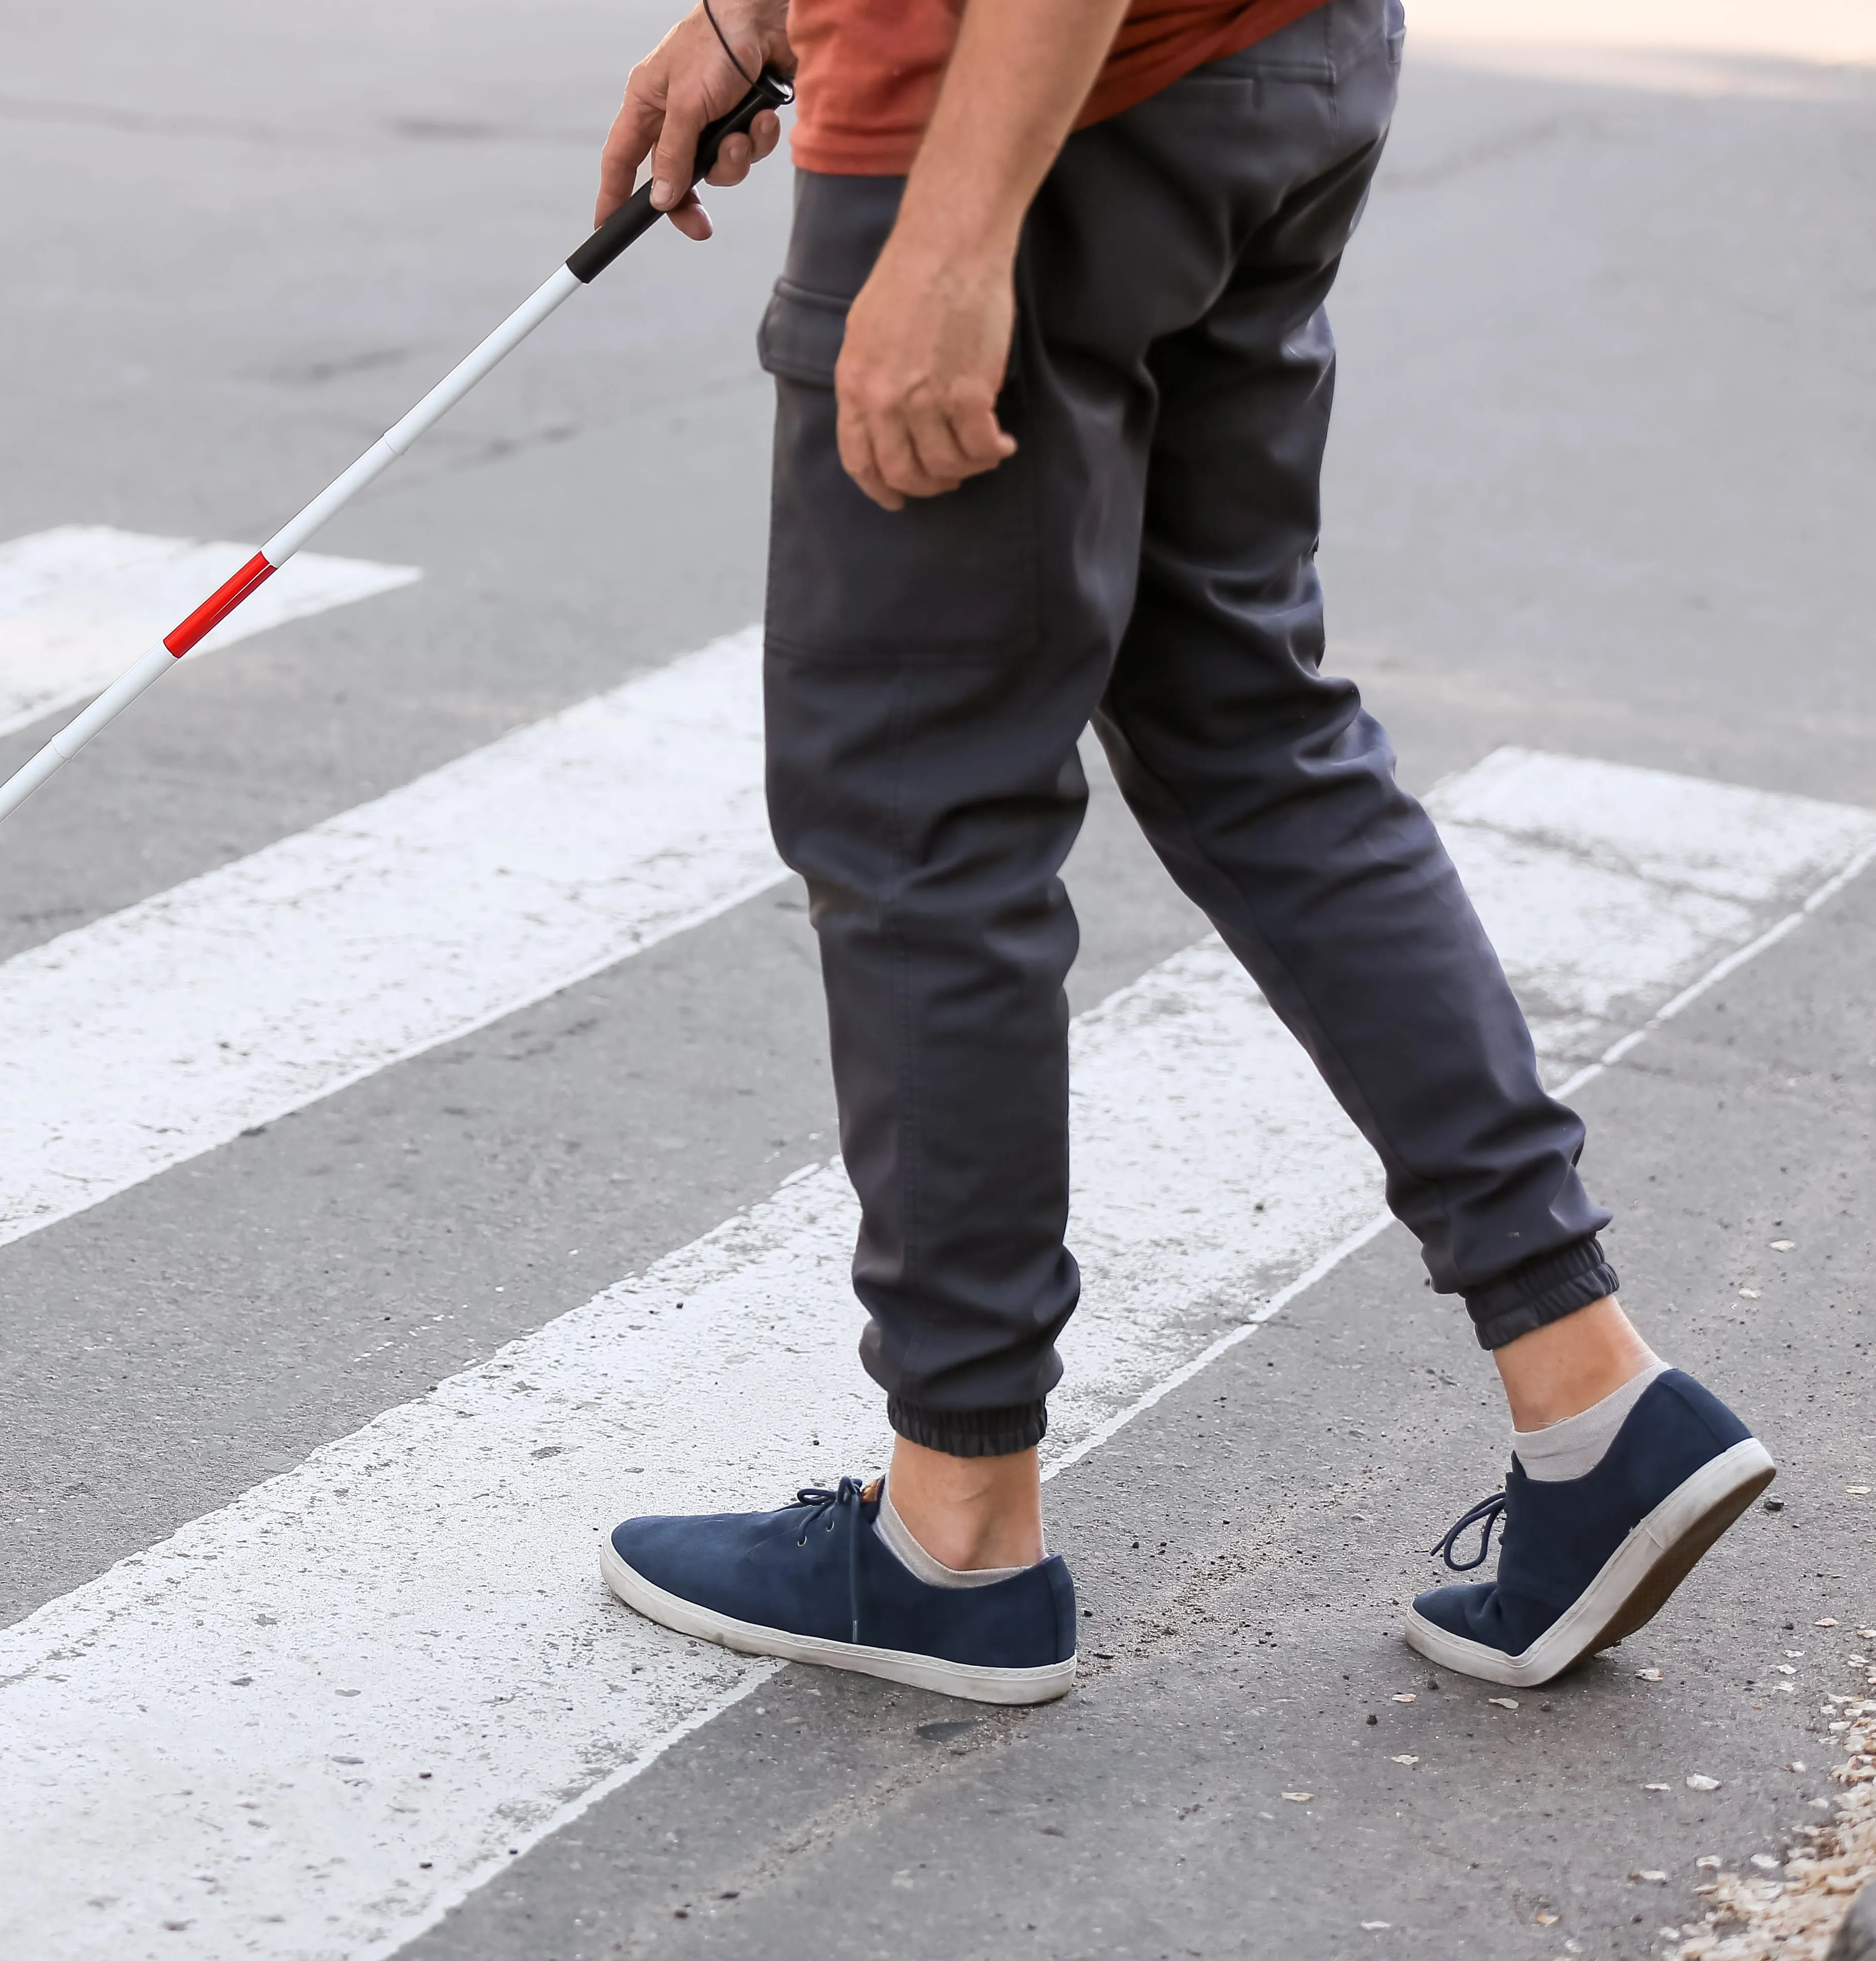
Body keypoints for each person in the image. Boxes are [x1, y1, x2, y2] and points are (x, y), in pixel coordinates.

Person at [591, 0, 1774, 1702]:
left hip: (1019, 98)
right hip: (1266, 58)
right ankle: (1593, 1398)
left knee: (920, 801)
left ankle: (956, 1530)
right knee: (1246, 722)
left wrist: (956, 235)